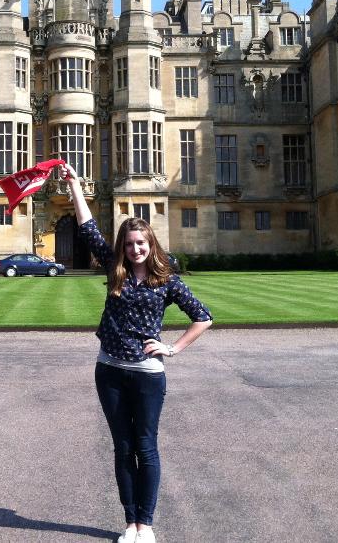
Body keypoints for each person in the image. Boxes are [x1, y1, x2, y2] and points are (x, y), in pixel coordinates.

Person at [59, 162, 213, 543]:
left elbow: (203, 317)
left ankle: (147, 524)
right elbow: (88, 229)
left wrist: (172, 348)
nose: (135, 249)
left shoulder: (166, 281)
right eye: (129, 244)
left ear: (151, 244)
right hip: (109, 370)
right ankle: (130, 523)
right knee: (123, 447)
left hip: (147, 373)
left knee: (146, 446)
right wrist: (76, 187)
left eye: (141, 243)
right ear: (123, 248)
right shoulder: (115, 270)